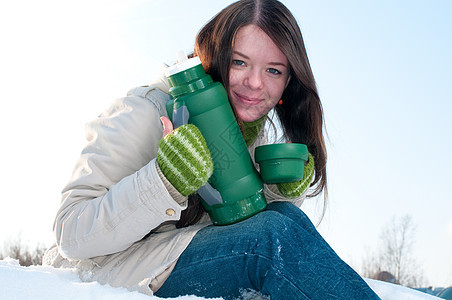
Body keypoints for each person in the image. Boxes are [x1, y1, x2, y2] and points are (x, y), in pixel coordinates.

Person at [43, 0, 380, 299]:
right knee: (269, 240)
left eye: (273, 70)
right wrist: (164, 180)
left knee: (285, 218)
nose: (255, 83)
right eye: (240, 62)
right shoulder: (146, 111)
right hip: (107, 272)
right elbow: (70, 235)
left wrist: (280, 191)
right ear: (217, 57)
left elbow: (237, 223)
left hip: (176, 259)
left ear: (287, 85)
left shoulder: (250, 136)